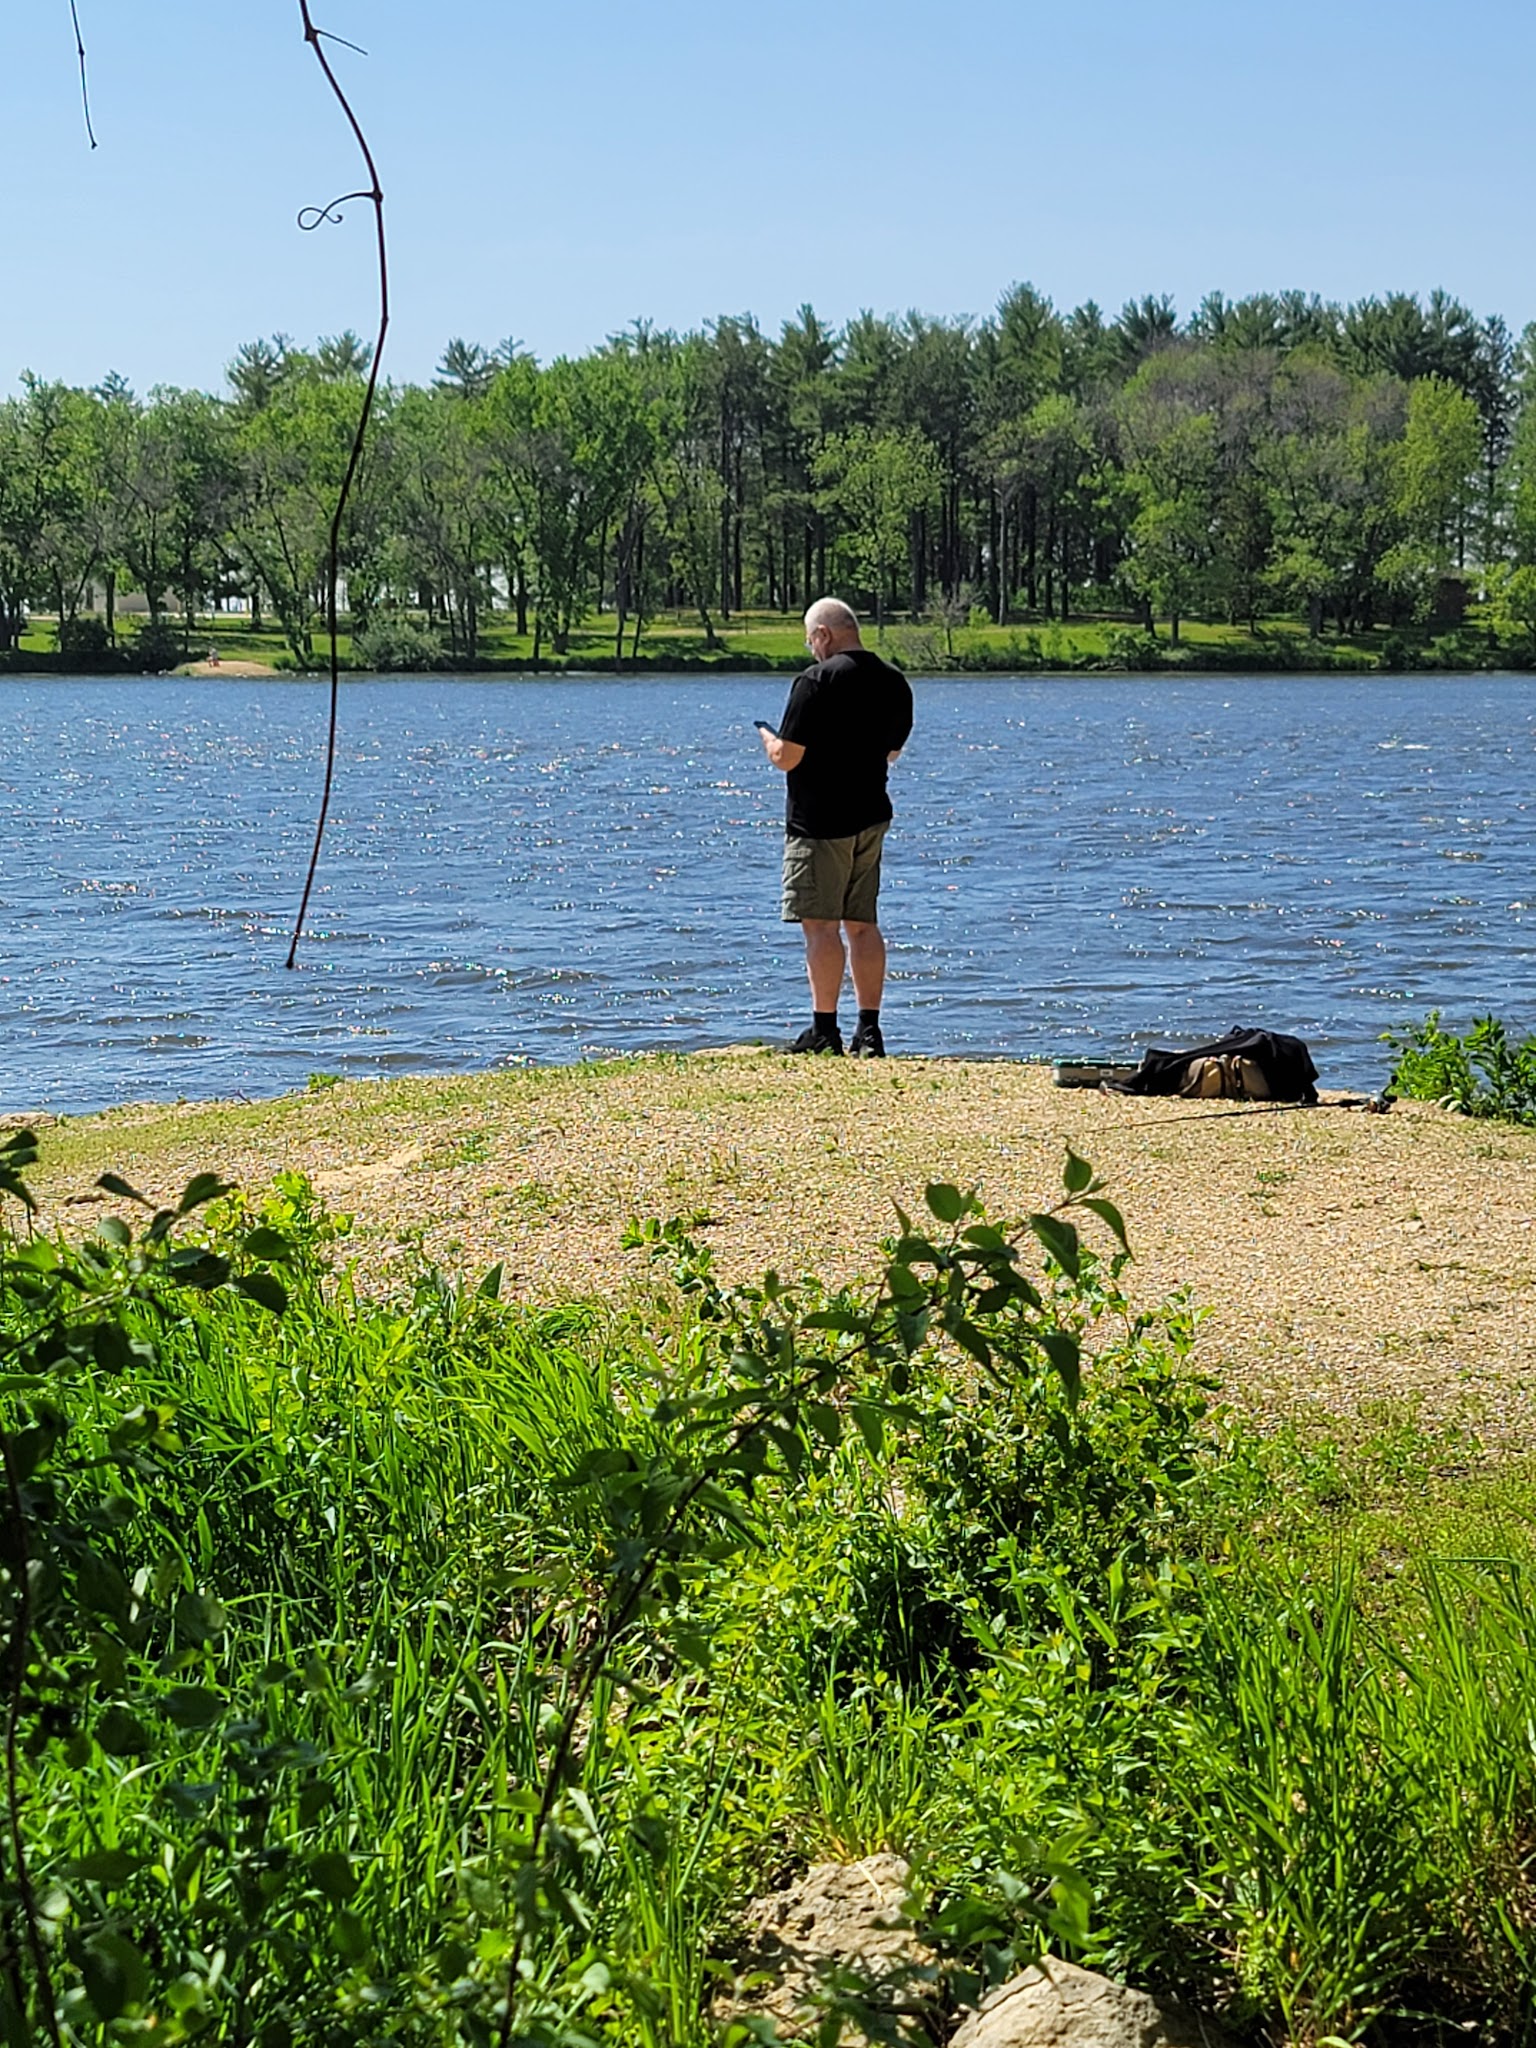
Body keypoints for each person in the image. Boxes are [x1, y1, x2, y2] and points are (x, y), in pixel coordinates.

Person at [758, 597, 913, 1056]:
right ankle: (869, 1031)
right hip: (871, 815)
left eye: (811, 640)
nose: (811, 649)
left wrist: (767, 738)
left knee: (820, 927)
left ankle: (824, 1029)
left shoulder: (815, 681)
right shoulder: (894, 681)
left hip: (819, 822)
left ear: (823, 634)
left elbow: (788, 757)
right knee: (862, 925)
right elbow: (892, 753)